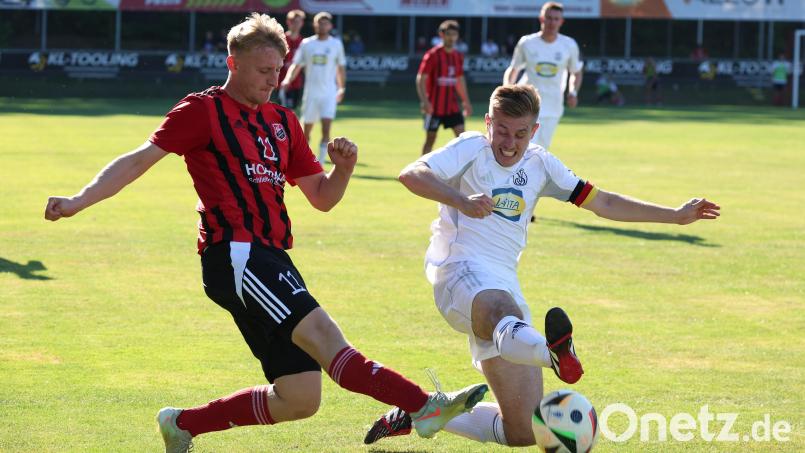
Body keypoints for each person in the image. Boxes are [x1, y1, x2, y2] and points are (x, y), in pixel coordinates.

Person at [43, 13, 488, 453]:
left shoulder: (282, 121)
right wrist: (79, 201)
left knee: (299, 398)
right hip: (235, 255)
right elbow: (138, 160)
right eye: (263, 70)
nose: (273, 79)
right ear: (232, 63)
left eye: (277, 70)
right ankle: (424, 406)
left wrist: (344, 169)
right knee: (328, 341)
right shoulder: (202, 111)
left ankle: (181, 424)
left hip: (269, 255)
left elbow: (322, 198)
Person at [363, 84, 720, 447]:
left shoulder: (541, 163)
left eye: (520, 133)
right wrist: (460, 200)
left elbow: (605, 203)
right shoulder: (470, 147)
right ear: (488, 122)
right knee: (503, 309)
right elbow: (411, 173)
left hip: (505, 291)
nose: (508, 142)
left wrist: (674, 215)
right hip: (457, 271)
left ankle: (423, 410)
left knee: (524, 431)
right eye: (501, 130)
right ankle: (552, 354)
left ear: (533, 130)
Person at [503, 1, 582, 150]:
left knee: (540, 150)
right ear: (541, 19)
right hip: (527, 104)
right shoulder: (527, 43)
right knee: (525, 148)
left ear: (561, 22)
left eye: (556, 19)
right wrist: (507, 90)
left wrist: (573, 92)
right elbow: (514, 69)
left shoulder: (569, 45)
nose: (552, 22)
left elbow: (576, 72)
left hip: (553, 106)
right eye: (549, 18)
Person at [281, 11, 346, 165]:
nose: (322, 25)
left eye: (325, 23)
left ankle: (321, 164)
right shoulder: (307, 44)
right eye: (319, 22)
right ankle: (304, 162)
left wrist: (342, 87)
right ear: (314, 25)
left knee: (326, 129)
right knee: (306, 132)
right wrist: (287, 79)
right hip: (311, 94)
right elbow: (296, 65)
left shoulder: (336, 44)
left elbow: (340, 68)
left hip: (329, 94)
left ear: (330, 26)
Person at [416, 20, 472, 155]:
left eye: (454, 34)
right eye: (448, 34)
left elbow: (459, 80)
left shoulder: (458, 56)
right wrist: (425, 101)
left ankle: (462, 171)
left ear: (457, 36)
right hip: (434, 106)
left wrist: (466, 101)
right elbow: (420, 79)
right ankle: (420, 171)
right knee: (430, 139)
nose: (451, 38)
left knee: (462, 138)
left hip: (452, 106)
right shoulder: (432, 55)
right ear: (441, 35)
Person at [278, 9, 306, 110]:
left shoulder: (304, 42)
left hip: (296, 82)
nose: (295, 24)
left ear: (302, 23)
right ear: (288, 22)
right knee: (282, 110)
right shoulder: (281, 40)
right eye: (293, 21)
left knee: (292, 111)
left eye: (298, 21)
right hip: (281, 81)